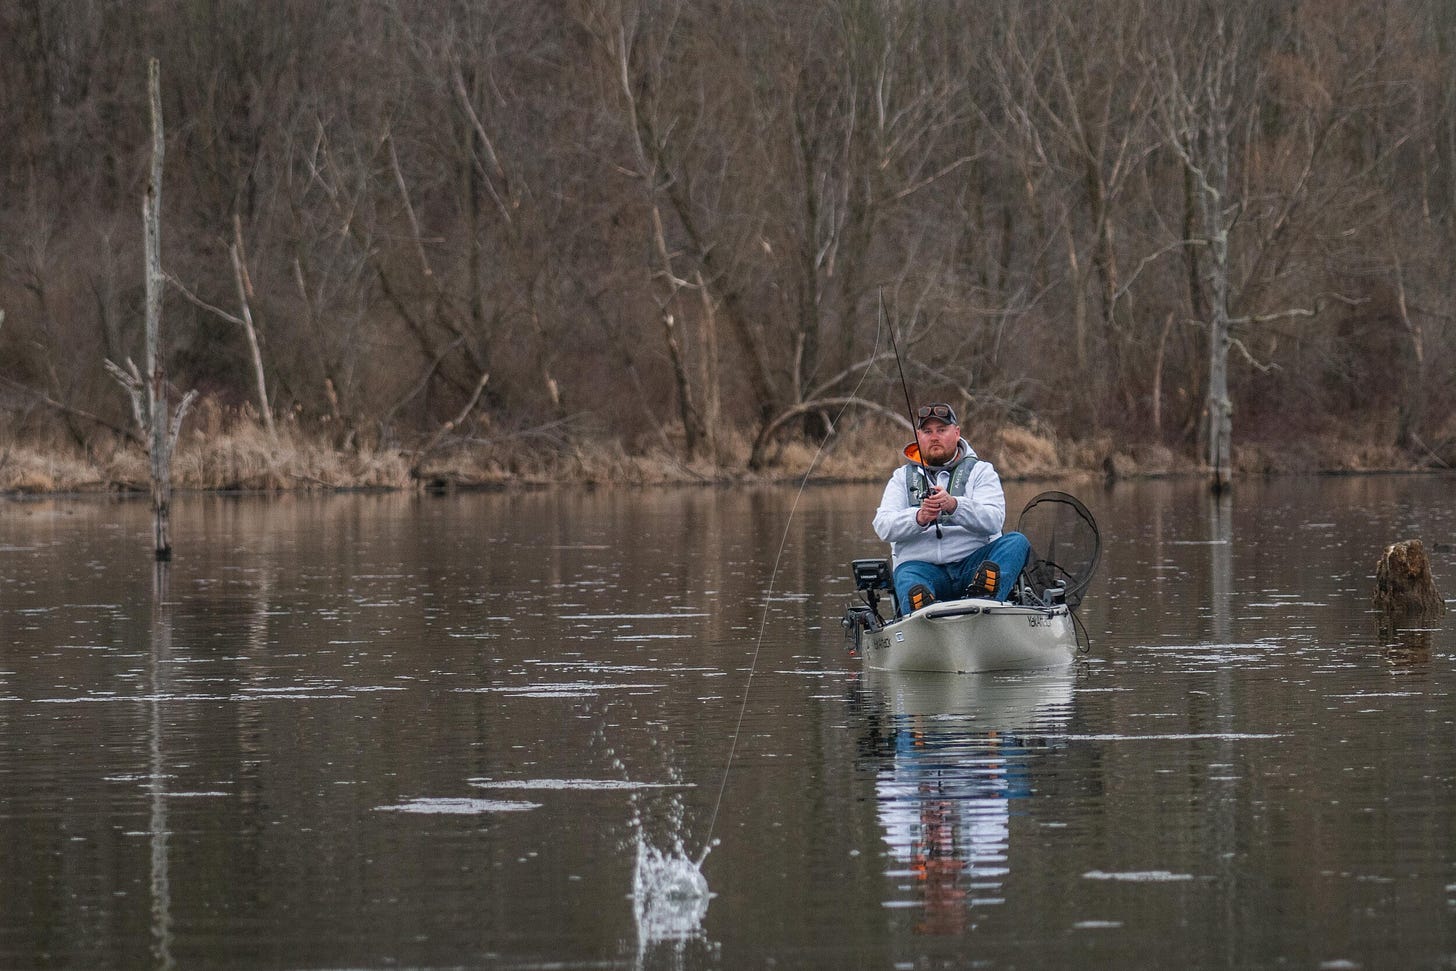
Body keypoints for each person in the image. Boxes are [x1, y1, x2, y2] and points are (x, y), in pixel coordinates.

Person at [873, 402, 1030, 615]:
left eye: (942, 430)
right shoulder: (900, 478)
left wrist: (955, 505)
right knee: (908, 578)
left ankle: (984, 597)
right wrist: (920, 517)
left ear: (956, 433)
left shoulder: (981, 471)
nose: (934, 437)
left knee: (1017, 542)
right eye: (928, 432)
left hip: (972, 564)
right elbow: (883, 526)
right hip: (921, 569)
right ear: (919, 437)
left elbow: (994, 520)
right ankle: (922, 611)